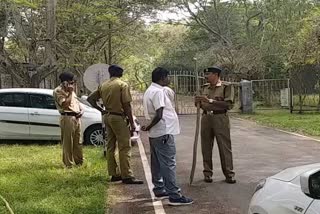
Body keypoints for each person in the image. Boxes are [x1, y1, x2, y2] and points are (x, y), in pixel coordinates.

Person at [142, 67, 193, 206]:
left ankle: (159, 188)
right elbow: (159, 114)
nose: (169, 79)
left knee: (157, 162)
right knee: (168, 164)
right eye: (168, 77)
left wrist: (149, 127)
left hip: (156, 134)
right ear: (162, 78)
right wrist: (149, 126)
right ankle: (174, 195)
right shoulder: (158, 92)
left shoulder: (149, 90)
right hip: (163, 132)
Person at [87, 65, 143, 185]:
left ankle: (114, 173)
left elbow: (90, 99)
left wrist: (101, 110)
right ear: (120, 73)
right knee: (124, 146)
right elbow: (127, 105)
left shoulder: (104, 85)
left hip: (107, 116)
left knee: (110, 145)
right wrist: (132, 123)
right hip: (118, 117)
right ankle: (127, 175)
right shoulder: (122, 85)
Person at [195, 66, 236, 184]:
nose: (206, 77)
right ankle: (207, 173)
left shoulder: (226, 87)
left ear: (216, 75)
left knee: (224, 146)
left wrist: (210, 101)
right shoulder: (203, 88)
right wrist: (198, 101)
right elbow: (199, 104)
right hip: (206, 118)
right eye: (205, 74)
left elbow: (228, 105)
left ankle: (229, 174)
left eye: (208, 74)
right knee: (206, 146)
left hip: (220, 118)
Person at [53, 72, 84, 168]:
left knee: (78, 141)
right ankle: (68, 164)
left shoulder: (72, 91)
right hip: (67, 117)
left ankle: (79, 162)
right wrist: (70, 92)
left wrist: (81, 110)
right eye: (71, 82)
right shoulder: (59, 91)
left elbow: (76, 102)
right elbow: (65, 104)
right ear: (65, 82)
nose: (73, 84)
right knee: (68, 142)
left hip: (76, 117)